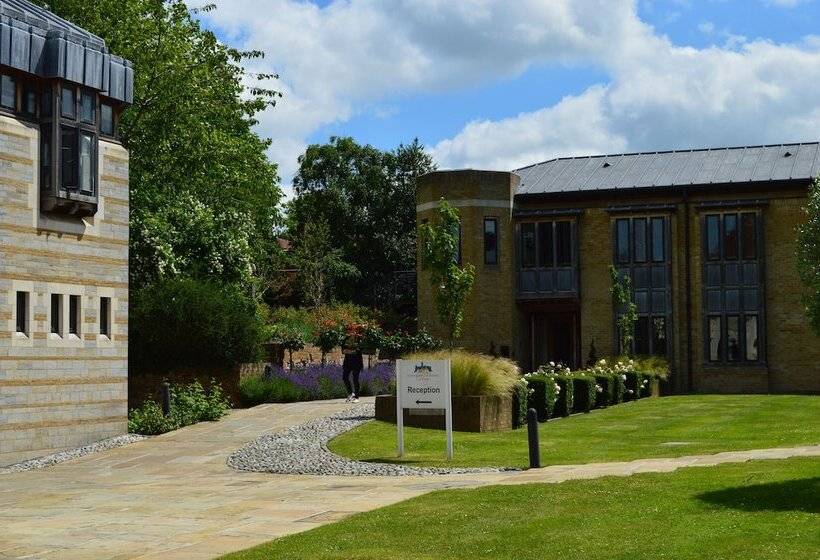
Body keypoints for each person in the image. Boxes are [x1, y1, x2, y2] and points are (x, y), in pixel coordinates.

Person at [342, 337, 364, 403]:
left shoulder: (359, 340)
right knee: (345, 377)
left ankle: (357, 397)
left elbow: (358, 351)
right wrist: (352, 351)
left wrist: (349, 351)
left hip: (357, 362)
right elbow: (343, 351)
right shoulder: (346, 339)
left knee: (355, 379)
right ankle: (351, 393)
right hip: (347, 362)